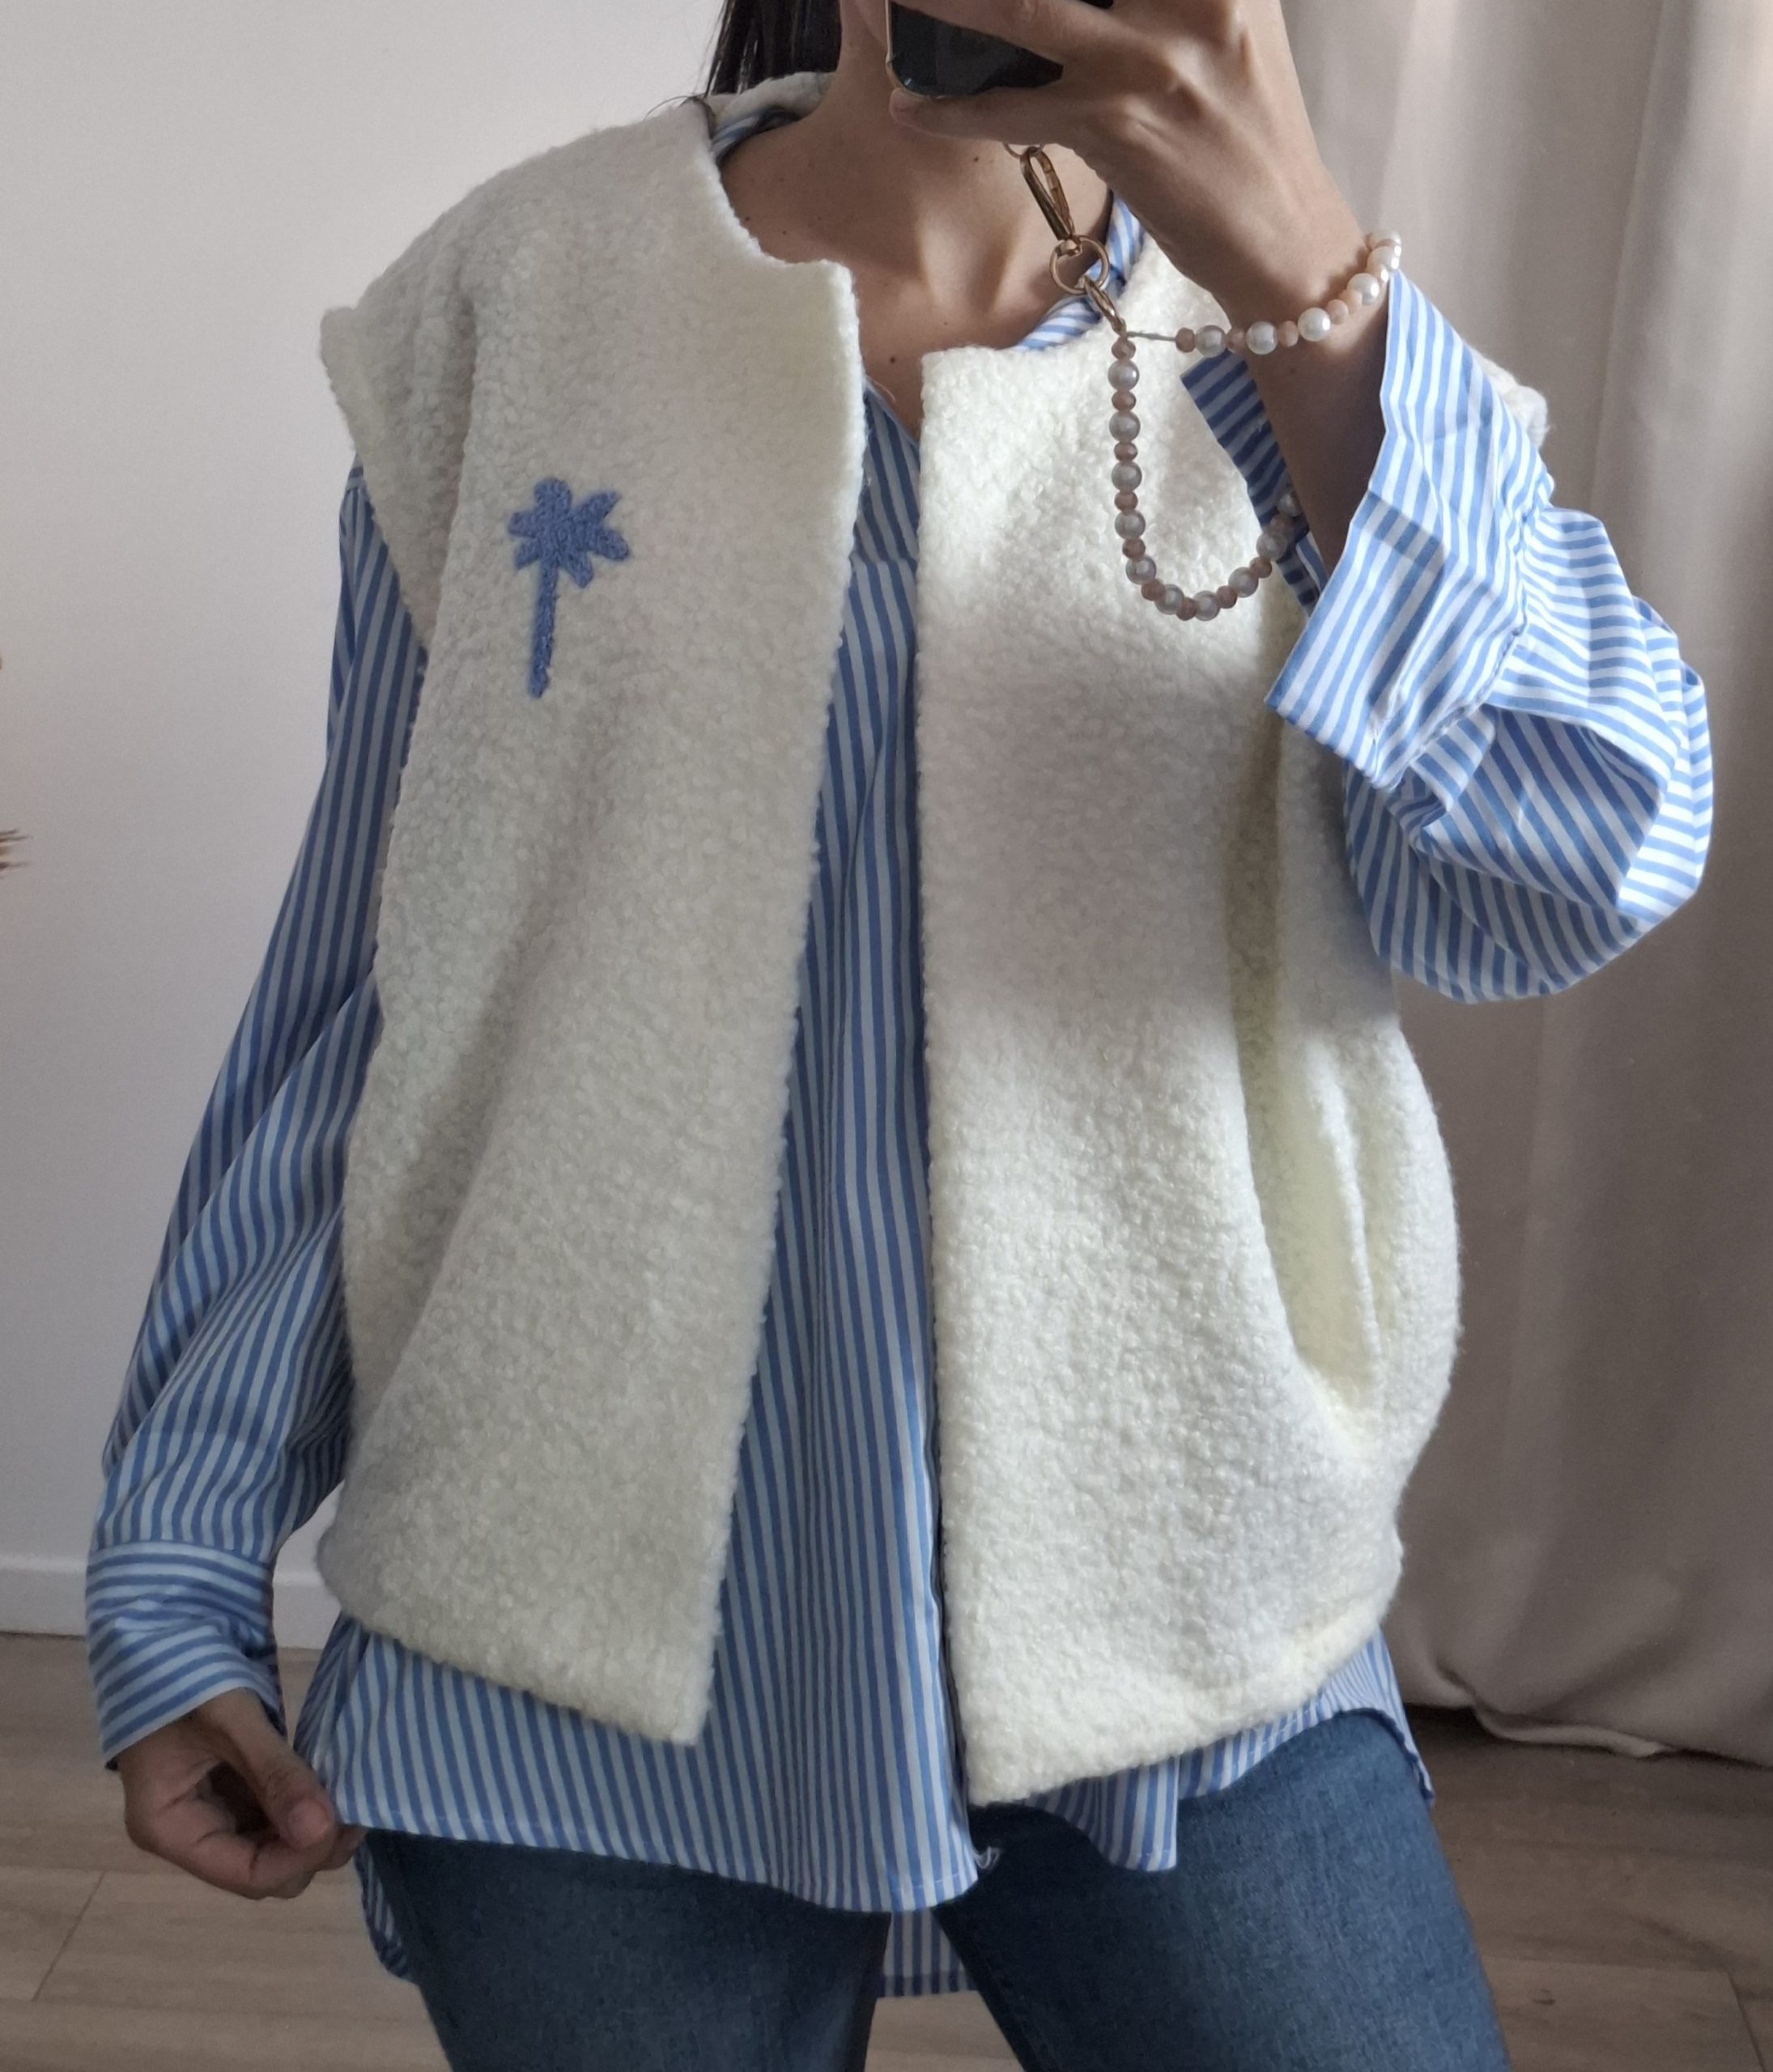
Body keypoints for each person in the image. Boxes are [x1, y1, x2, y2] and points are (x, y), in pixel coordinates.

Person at [86, 2, 1711, 2069]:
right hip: (561, 1616)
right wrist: (178, 1546)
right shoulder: (510, 303)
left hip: (1193, 1599)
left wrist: (1304, 280)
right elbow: (369, 979)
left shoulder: (1318, 347)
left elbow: (1573, 864)